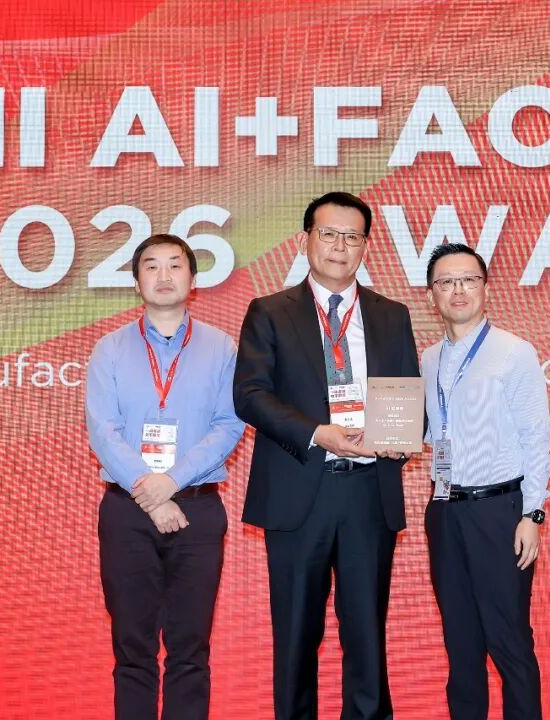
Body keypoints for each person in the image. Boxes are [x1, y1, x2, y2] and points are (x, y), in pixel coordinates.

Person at [234, 192, 420, 720]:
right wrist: (318, 433)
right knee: (296, 635)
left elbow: (408, 396)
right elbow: (250, 394)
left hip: (368, 493)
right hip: (300, 490)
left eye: (352, 236)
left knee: (366, 634)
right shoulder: (270, 312)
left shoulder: (392, 315)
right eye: (329, 234)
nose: (340, 246)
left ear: (366, 246)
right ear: (305, 240)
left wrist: (402, 436)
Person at [85, 233, 244, 720]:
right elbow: (103, 431)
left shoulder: (222, 347)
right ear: (137, 282)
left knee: (190, 649)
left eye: (175, 265)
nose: (164, 275)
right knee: (132, 648)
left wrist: (170, 482)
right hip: (126, 512)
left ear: (193, 280)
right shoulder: (110, 349)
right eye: (151, 266)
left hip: (197, 509)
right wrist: (152, 495)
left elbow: (228, 425)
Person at [421, 243, 550, 720]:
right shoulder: (428, 359)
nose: (458, 290)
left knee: (509, 641)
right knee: (460, 643)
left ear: (485, 288)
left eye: (468, 280)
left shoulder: (514, 353)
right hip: (444, 510)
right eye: (446, 282)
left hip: (500, 513)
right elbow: (431, 433)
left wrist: (532, 514)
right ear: (431, 295)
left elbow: (537, 439)